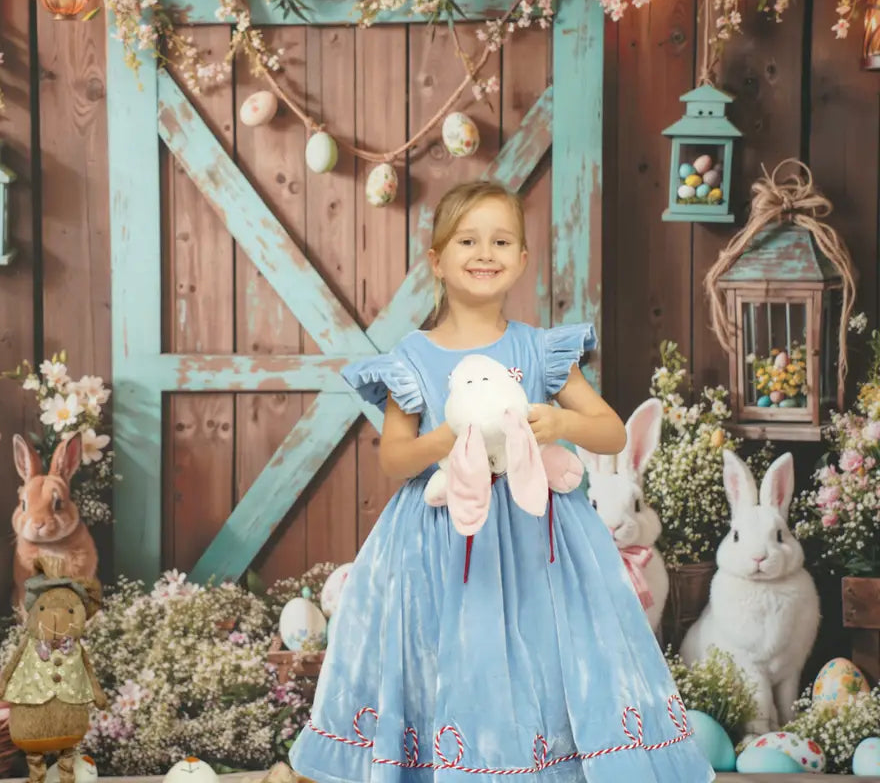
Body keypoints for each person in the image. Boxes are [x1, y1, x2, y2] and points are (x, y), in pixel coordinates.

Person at [287, 182, 713, 782]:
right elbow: (395, 460)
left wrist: (561, 421)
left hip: (539, 540)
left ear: (521, 260)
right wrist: (449, 437)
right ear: (436, 260)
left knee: (542, 651)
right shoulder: (413, 357)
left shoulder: (539, 350)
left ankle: (547, 766)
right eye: (467, 240)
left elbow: (613, 433)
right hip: (440, 537)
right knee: (449, 653)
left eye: (501, 240)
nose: (484, 252)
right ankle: (447, 765)